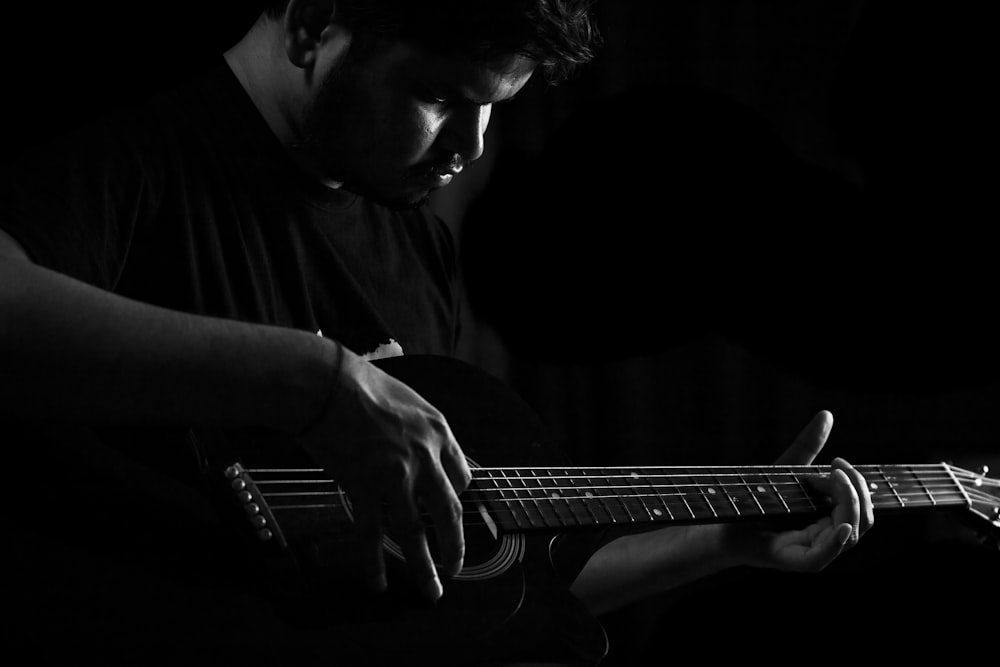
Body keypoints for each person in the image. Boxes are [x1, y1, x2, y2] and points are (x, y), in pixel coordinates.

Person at [0, 1, 873, 663]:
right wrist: (319, 385)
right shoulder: (127, 130)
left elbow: (458, 575)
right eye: (440, 95)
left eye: (495, 107)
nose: (472, 145)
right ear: (313, 25)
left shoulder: (413, 245)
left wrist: (722, 540)